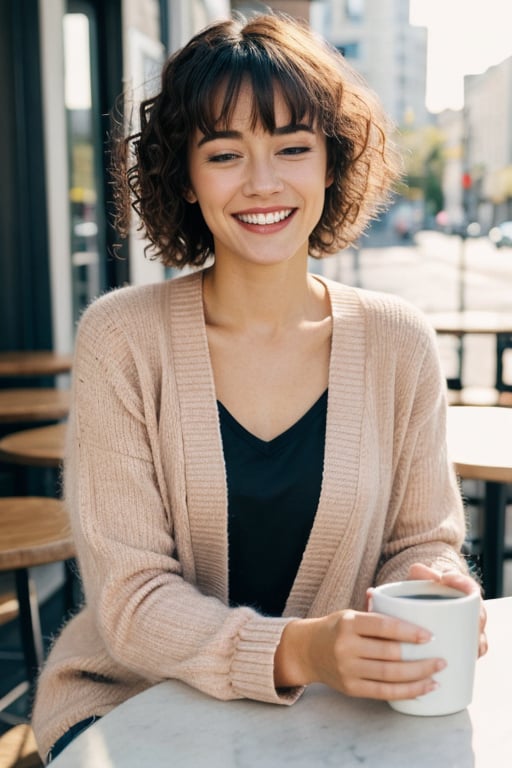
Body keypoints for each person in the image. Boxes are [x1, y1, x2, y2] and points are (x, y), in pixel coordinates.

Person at [32, 12, 487, 763]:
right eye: (224, 152)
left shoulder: (398, 341)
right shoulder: (121, 339)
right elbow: (132, 601)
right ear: (184, 175)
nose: (263, 181)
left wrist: (430, 589)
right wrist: (302, 651)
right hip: (133, 704)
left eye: (292, 147)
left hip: (343, 715)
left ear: (331, 164)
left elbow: (419, 541)